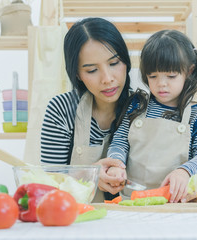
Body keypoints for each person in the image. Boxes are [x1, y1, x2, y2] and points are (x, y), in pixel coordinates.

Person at [40, 17, 146, 201]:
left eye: (114, 63)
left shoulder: (144, 107)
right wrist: (90, 174)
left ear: (126, 62)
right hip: (77, 220)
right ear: (77, 74)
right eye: (91, 70)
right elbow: (49, 184)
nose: (107, 78)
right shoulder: (61, 109)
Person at [107, 29, 197, 203]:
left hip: (178, 202)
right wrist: (115, 164)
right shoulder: (136, 105)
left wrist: (185, 171)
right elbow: (120, 142)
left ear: (189, 71)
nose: (161, 84)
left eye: (171, 76)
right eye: (153, 76)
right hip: (133, 200)